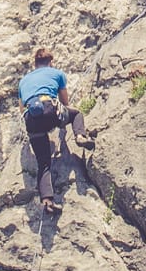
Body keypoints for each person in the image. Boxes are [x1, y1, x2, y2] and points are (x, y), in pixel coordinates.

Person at [18, 47, 94, 215]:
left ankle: (47, 201)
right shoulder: (57, 74)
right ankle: (80, 136)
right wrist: (61, 125)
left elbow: (21, 108)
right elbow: (65, 103)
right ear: (50, 63)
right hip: (50, 109)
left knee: (43, 162)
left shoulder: (23, 82)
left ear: (35, 64)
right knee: (76, 114)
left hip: (31, 117)